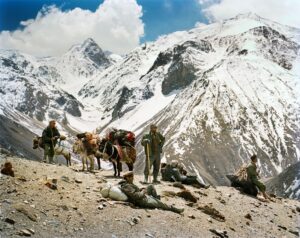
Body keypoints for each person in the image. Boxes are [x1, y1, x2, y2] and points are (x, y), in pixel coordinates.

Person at [119, 171, 184, 214]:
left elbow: (135, 191)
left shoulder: (128, 184)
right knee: (161, 204)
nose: (132, 178)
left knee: (150, 186)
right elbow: (136, 196)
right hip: (142, 201)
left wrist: (141, 189)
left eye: (132, 176)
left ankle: (156, 200)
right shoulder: (126, 186)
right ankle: (175, 209)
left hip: (143, 197)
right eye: (130, 176)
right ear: (126, 178)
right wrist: (143, 192)